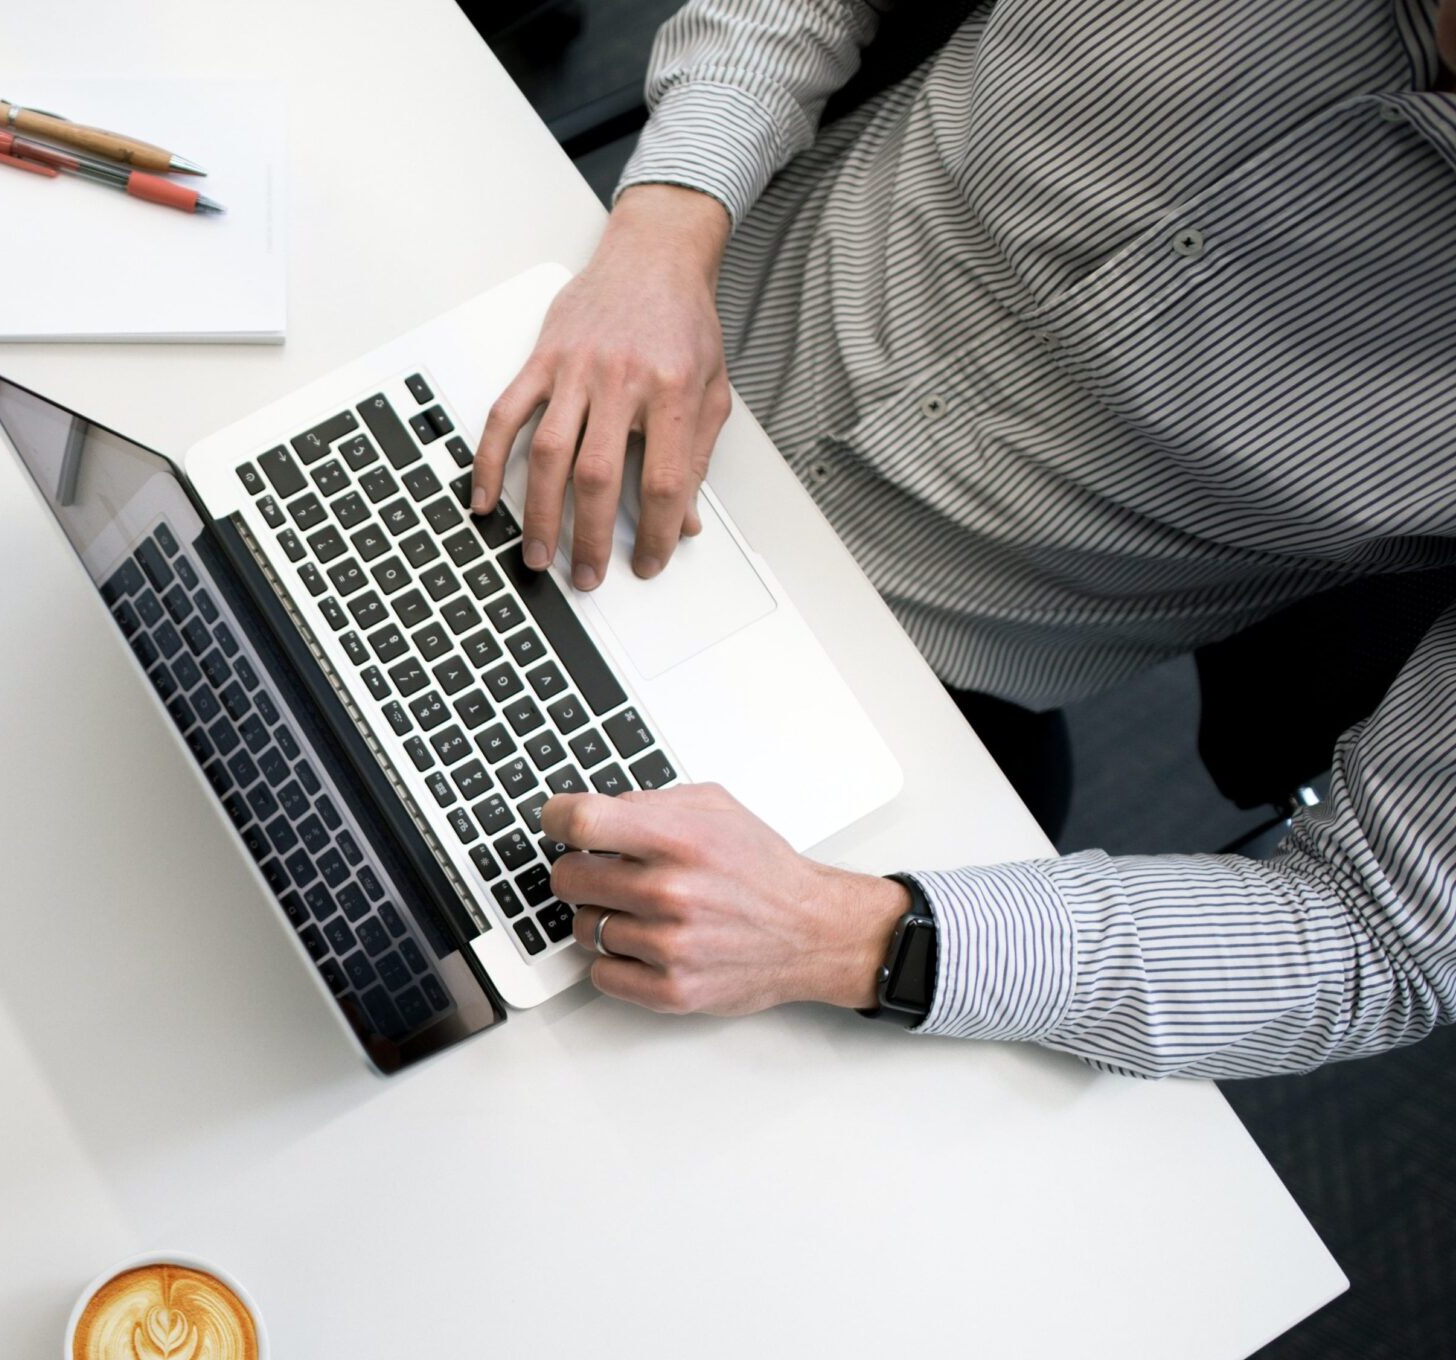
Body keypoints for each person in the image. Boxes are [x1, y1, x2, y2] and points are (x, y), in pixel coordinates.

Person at [473, 0, 1456, 1078]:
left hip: (880, 691)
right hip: (601, 320)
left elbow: (1382, 933)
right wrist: (666, 229)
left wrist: (848, 936)